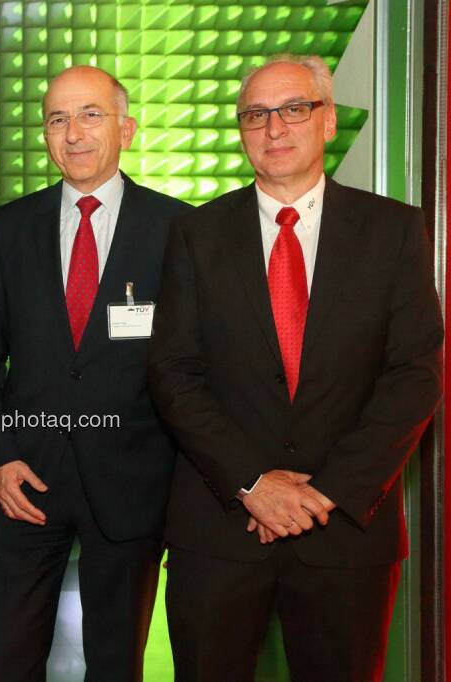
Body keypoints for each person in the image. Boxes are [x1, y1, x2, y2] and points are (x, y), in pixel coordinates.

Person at [148, 54, 443, 682]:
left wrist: (324, 493)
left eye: (293, 109)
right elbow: (174, 372)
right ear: (241, 130)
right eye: (256, 115)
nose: (274, 128)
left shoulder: (393, 232)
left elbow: (414, 375)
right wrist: (254, 483)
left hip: (345, 534)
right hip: (221, 530)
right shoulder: (195, 234)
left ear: (328, 121)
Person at [0, 65, 189, 681]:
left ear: (128, 128)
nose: (74, 133)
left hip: (133, 484)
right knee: (7, 660)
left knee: (117, 664)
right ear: (44, 135)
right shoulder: (9, 228)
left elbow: (195, 370)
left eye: (91, 114)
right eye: (57, 119)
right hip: (23, 481)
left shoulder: (180, 229)